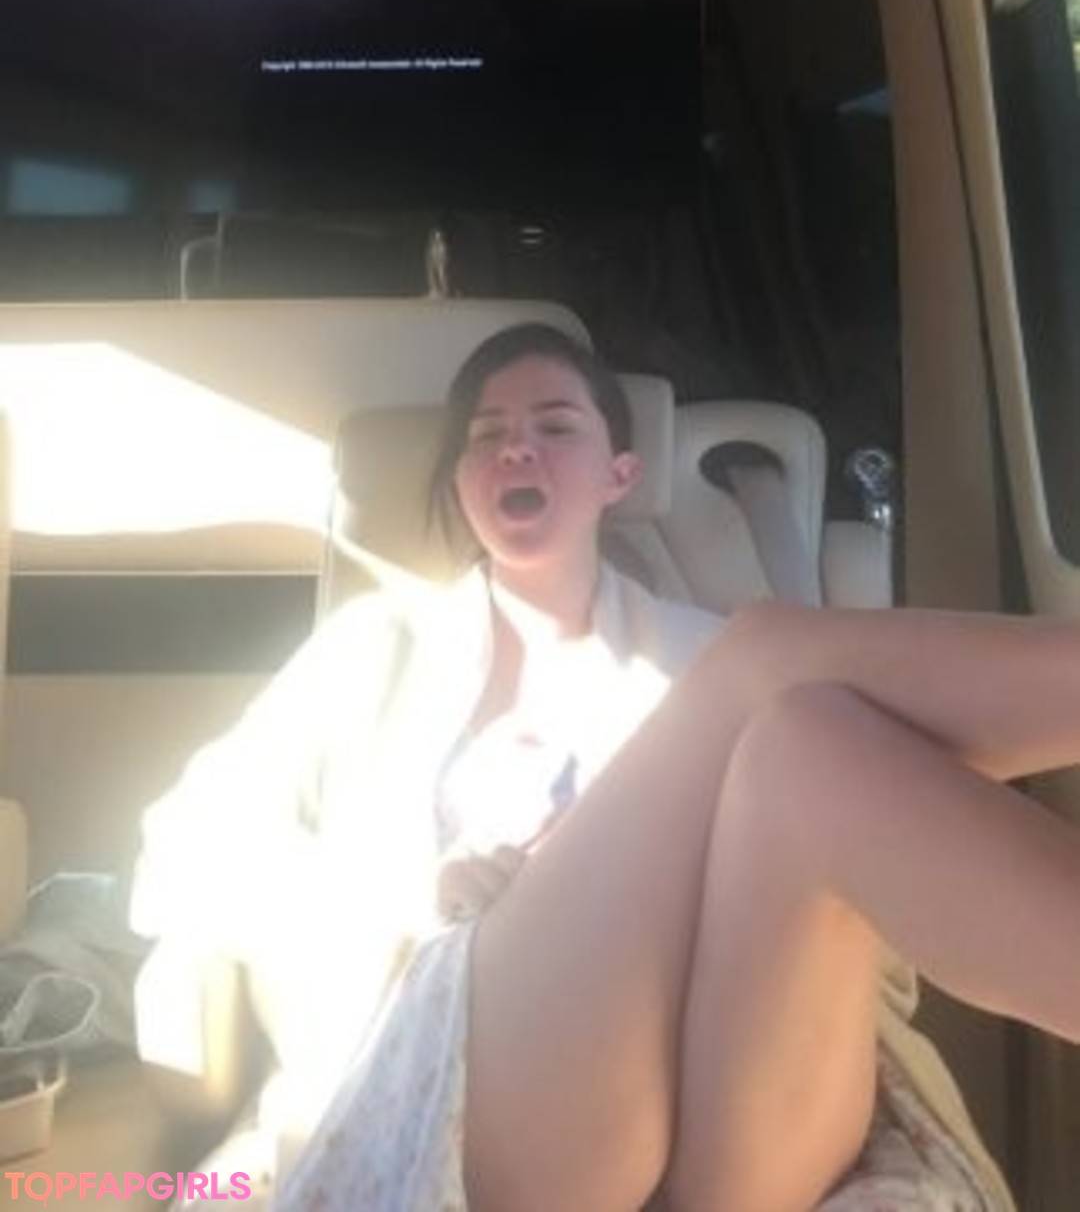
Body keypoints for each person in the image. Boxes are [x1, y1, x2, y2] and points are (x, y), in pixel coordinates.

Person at [132, 322, 1080, 1211]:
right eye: (487, 435)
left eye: (555, 427)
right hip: (471, 1089)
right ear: (462, 480)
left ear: (619, 474)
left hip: (739, 1107)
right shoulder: (370, 652)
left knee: (807, 744)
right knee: (763, 666)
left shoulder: (698, 657)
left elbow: (870, 932)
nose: (517, 449)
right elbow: (177, 857)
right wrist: (412, 895)